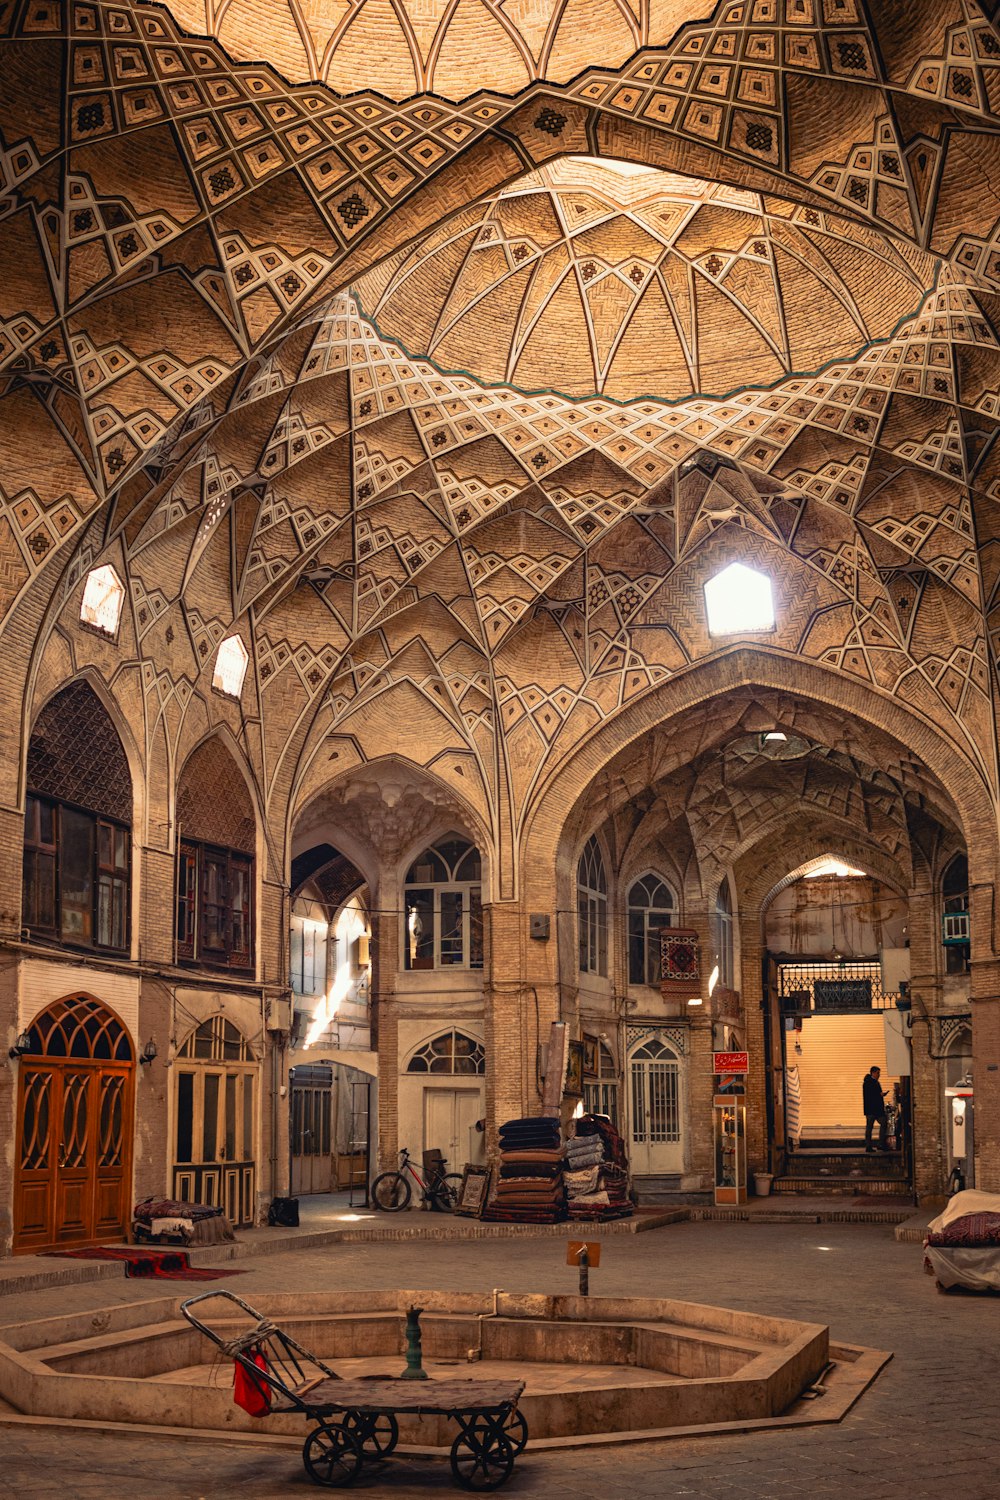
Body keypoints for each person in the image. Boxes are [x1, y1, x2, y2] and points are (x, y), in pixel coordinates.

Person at [863, 1065, 889, 1153]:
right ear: (873, 1073)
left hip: (875, 1109)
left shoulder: (873, 1082)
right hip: (872, 1109)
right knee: (871, 1127)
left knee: (881, 1123)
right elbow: (871, 1095)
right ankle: (870, 1145)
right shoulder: (869, 1083)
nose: (879, 1075)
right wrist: (880, 1095)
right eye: (878, 1073)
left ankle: (879, 1144)